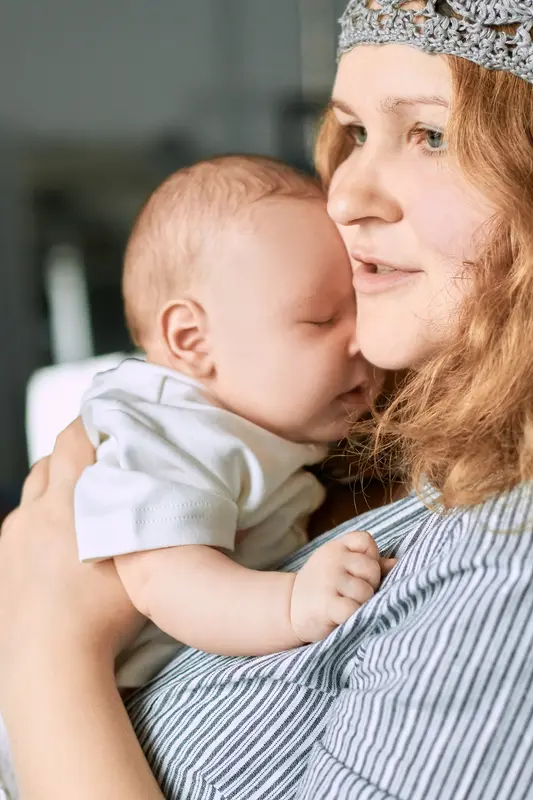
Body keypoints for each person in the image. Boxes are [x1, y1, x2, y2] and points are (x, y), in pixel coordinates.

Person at [2, 0, 533, 797]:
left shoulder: (508, 563)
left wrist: (47, 643)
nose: (346, 195)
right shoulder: (355, 445)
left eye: (430, 134)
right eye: (352, 133)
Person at [75, 155, 388, 688]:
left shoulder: (260, 424)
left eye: (363, 308)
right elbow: (167, 582)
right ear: (192, 340)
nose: (364, 340)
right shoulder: (166, 429)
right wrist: (292, 603)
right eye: (321, 318)